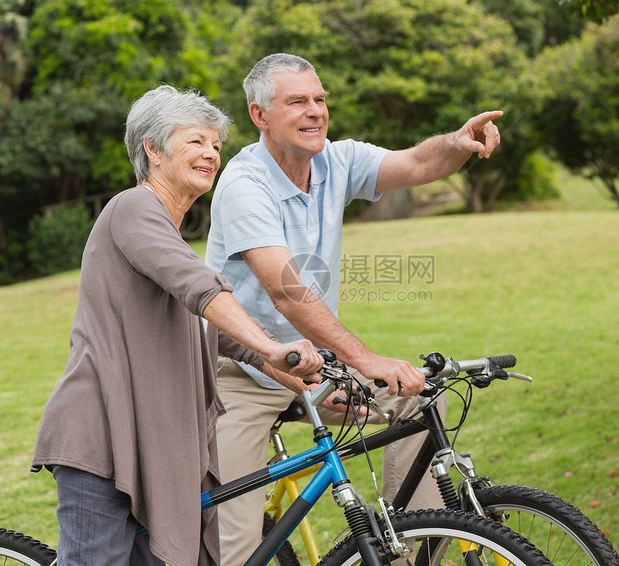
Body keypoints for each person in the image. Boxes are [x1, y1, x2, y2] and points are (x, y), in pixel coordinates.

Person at [204, 53, 504, 564]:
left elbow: (417, 163)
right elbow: (287, 292)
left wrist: (456, 144)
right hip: (241, 374)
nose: (315, 111)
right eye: (297, 101)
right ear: (260, 116)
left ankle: (405, 551)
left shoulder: (336, 161)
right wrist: (365, 360)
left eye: (319, 99)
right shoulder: (243, 184)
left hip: (315, 367)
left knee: (418, 396)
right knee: (230, 551)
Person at [30, 85, 323, 566]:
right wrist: (270, 349)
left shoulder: (168, 231)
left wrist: (283, 368)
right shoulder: (133, 209)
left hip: (154, 442)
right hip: (104, 433)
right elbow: (200, 290)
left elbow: (210, 328)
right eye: (195, 142)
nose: (211, 153)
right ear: (153, 148)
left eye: (215, 145)